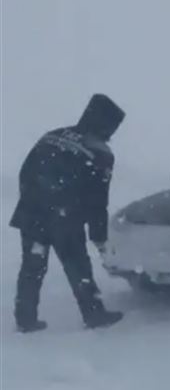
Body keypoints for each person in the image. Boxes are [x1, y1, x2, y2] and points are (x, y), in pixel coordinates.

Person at [10, 94, 126, 332]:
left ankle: (25, 318)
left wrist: (30, 201)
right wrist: (99, 236)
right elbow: (97, 201)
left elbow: (26, 170)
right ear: (106, 125)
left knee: (32, 266)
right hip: (65, 219)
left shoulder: (53, 135)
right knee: (78, 267)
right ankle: (94, 314)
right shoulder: (100, 153)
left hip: (32, 212)